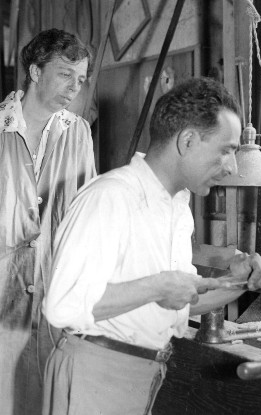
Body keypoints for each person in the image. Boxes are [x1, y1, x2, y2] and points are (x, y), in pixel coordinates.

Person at [42, 77, 261, 415]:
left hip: (141, 371)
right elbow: (62, 306)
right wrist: (157, 287)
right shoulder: (111, 197)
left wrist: (240, 282)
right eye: (226, 150)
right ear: (187, 140)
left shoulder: (175, 207)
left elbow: (179, 300)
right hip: (96, 369)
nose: (232, 167)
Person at [0, 29, 96, 415]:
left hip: (53, 293)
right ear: (35, 72)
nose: (74, 87)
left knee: (44, 401)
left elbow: (84, 217)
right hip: (2, 291)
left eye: (81, 79)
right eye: (64, 74)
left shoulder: (79, 134)